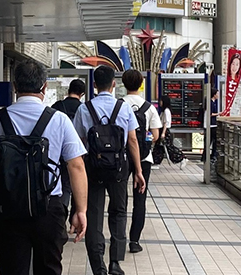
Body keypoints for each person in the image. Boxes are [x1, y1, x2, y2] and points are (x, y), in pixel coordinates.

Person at [0, 60, 88, 275]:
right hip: (49, 209)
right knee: (48, 269)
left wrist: (1, 200)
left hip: (8, 211)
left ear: (15, 86)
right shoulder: (59, 120)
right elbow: (76, 166)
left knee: (11, 269)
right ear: (44, 87)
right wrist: (81, 210)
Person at [73, 66, 146, 275]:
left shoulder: (84, 109)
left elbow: (78, 141)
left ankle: (98, 267)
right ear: (114, 84)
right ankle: (115, 262)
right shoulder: (123, 108)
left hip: (92, 168)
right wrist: (138, 171)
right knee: (119, 212)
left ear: (94, 85)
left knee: (93, 214)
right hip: (118, 169)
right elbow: (132, 140)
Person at [120, 70, 162, 254]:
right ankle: (134, 241)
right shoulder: (149, 107)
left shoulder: (118, 105)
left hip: (121, 157)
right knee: (140, 200)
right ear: (141, 83)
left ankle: (118, 239)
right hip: (144, 159)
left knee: (119, 199)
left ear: (123, 83)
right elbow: (155, 135)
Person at [51, 78, 86, 212]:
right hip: (78, 152)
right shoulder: (83, 108)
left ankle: (62, 208)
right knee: (76, 182)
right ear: (82, 93)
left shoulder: (57, 106)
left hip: (58, 152)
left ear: (68, 90)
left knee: (64, 182)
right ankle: (74, 215)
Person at [153, 96, 187, 169]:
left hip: (164, 131)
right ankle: (156, 162)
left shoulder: (166, 111)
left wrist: (163, 133)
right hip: (162, 130)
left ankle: (182, 158)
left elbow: (166, 122)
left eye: (161, 101)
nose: (160, 102)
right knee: (159, 147)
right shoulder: (163, 111)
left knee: (169, 147)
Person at [201, 89, 220, 163]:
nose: (218, 95)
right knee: (211, 141)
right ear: (214, 94)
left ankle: (206, 156)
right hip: (211, 125)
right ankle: (210, 156)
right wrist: (219, 114)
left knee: (210, 141)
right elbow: (210, 114)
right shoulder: (211, 103)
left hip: (212, 125)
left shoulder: (213, 102)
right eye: (217, 94)